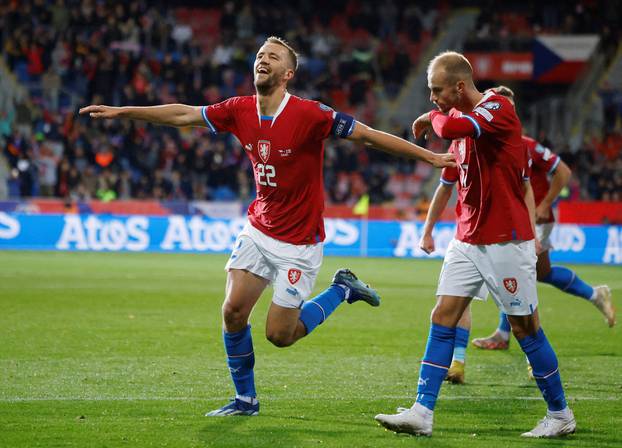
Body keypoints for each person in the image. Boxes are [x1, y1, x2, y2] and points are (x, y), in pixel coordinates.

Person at [80, 36, 454, 417]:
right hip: (259, 230)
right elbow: (184, 115)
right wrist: (124, 111)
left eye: (273, 57)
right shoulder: (238, 110)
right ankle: (245, 400)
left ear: (288, 73)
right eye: (260, 55)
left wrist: (431, 158)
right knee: (232, 312)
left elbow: (368, 136)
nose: (263, 59)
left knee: (280, 335)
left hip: (299, 243)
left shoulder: (311, 115)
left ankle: (341, 289)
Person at [374, 51, 576, 438]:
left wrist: (430, 118)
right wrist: (432, 229)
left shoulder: (497, 107)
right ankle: (422, 411)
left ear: (460, 86)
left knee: (525, 328)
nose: (432, 98)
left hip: (506, 241)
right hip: (467, 239)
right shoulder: (461, 125)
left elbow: (453, 129)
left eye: (437, 91)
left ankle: (560, 414)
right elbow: (450, 166)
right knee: (442, 316)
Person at [422, 86, 616, 385]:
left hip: (522, 225)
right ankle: (459, 362)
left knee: (532, 282)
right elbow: (446, 185)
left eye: (503, 108)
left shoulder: (525, 145)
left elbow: (552, 175)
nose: (497, 112)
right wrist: (428, 229)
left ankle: (586, 301)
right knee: (462, 298)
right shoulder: (469, 141)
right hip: (477, 231)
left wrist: (542, 208)